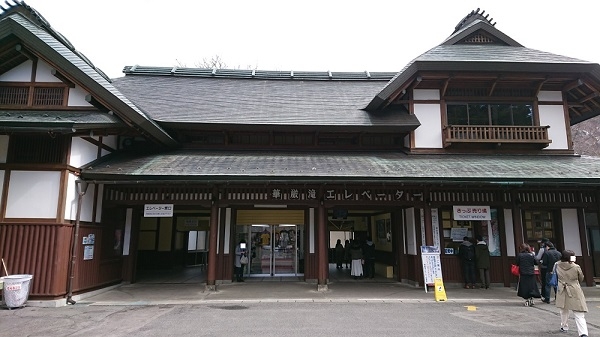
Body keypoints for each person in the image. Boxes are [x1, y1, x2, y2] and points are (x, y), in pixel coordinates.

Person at [555, 250, 588, 336]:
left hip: (562, 288)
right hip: (574, 288)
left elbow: (555, 275)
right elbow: (581, 278)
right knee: (579, 312)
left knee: (563, 309)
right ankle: (583, 333)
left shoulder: (557, 265)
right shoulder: (576, 266)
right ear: (571, 257)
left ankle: (564, 326)